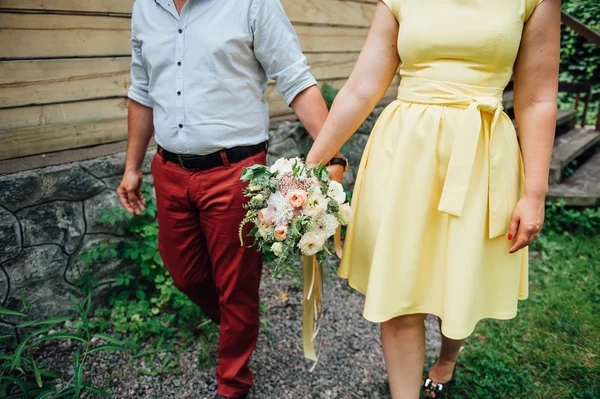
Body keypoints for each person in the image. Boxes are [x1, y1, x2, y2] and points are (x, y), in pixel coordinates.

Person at [305, 0, 560, 397]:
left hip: (481, 158)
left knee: (458, 282)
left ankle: (448, 358)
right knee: (401, 287)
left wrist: (535, 192)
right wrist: (312, 166)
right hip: (406, 156)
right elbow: (361, 86)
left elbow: (537, 98)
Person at [117, 0, 344, 398]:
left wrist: (333, 153)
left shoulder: (252, 4)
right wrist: (132, 166)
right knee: (184, 274)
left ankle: (233, 383)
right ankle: (239, 325)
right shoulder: (144, 8)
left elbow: (295, 78)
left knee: (236, 285)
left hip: (235, 172)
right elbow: (142, 90)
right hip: (169, 170)